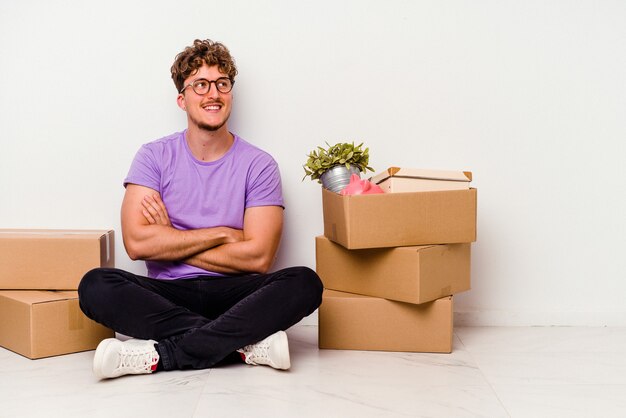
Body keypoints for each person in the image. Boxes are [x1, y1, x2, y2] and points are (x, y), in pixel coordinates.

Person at [78, 39, 323, 379]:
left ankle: (160, 356)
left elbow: (258, 257)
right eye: (201, 85)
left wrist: (170, 239)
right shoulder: (153, 157)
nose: (214, 94)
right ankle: (242, 344)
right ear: (182, 99)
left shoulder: (259, 164)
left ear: (231, 95)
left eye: (222, 84)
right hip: (168, 295)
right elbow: (136, 245)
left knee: (305, 282)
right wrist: (224, 233)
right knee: (95, 285)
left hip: (236, 293)